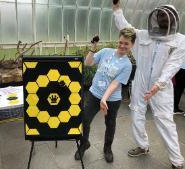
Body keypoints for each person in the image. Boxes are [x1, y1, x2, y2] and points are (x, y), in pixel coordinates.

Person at [113, 1, 185, 169]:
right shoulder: (143, 35)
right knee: (136, 114)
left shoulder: (180, 40)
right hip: (140, 81)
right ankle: (142, 145)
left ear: (174, 21)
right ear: (154, 17)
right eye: (160, 16)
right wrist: (116, 7)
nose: (162, 20)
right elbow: (124, 26)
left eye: (166, 18)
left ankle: (177, 161)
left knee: (165, 121)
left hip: (161, 88)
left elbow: (173, 64)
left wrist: (158, 85)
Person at [74, 28, 136, 163]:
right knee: (84, 119)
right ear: (117, 41)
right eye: (121, 42)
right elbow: (88, 63)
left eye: (126, 43)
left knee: (110, 123)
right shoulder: (106, 52)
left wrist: (104, 99)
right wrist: (93, 48)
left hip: (112, 100)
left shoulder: (127, 65)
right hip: (94, 93)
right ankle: (84, 144)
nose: (122, 46)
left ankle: (107, 149)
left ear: (132, 45)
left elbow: (115, 84)